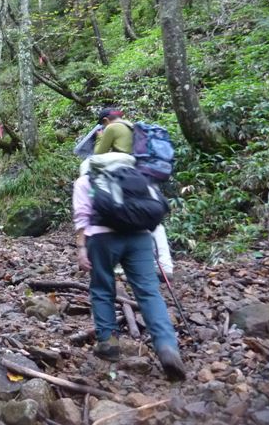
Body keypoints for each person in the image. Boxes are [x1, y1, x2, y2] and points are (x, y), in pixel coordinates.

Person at [72, 154, 186, 381]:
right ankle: (167, 346)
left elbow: (82, 215)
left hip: (102, 238)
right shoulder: (137, 177)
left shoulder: (87, 180)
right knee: (149, 292)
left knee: (102, 288)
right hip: (140, 238)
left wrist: (81, 248)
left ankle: (109, 343)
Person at [94, 107, 174, 281]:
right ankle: (165, 265)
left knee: (124, 215)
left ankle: (122, 266)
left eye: (102, 124)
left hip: (126, 178)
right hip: (145, 175)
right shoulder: (133, 127)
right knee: (151, 217)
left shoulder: (112, 127)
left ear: (106, 120)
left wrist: (100, 137)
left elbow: (98, 154)